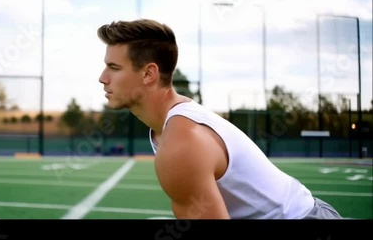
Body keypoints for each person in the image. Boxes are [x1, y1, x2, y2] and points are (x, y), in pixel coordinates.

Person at [96, 18, 342, 219]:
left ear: (149, 73)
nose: (102, 77)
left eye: (114, 67)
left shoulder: (181, 143)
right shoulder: (176, 123)